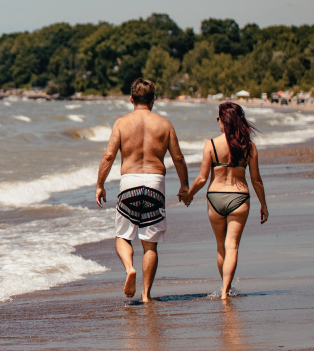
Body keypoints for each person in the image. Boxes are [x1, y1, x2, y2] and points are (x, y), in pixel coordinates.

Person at [95, 78, 189, 302]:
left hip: (129, 182)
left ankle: (129, 269)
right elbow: (178, 157)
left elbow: (109, 155)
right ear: (153, 100)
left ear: (131, 99)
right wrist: (185, 186)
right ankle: (146, 295)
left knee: (122, 236)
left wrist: (100, 184)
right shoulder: (164, 124)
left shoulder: (121, 123)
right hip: (155, 183)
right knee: (150, 243)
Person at [182, 102, 268, 299]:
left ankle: (225, 289)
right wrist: (263, 204)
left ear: (224, 120)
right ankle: (225, 292)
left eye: (218, 118)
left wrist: (189, 195)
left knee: (221, 245)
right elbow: (256, 180)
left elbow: (202, 178)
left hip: (215, 198)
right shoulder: (249, 147)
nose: (218, 121)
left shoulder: (211, 144)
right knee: (232, 246)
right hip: (240, 197)